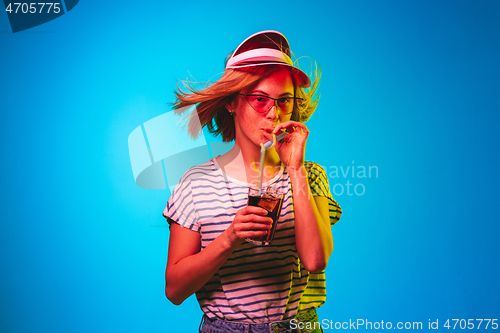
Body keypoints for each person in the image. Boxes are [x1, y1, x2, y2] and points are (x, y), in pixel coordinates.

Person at [163, 30, 342, 333]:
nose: (274, 113)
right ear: (232, 102)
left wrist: (295, 168)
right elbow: (175, 290)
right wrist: (229, 238)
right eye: (260, 99)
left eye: (284, 100)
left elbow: (315, 260)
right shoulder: (196, 184)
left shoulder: (310, 175)